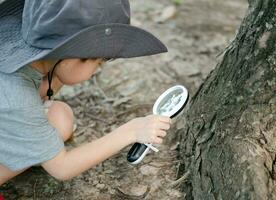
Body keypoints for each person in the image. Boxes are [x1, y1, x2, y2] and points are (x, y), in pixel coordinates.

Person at [0, 0, 171, 192]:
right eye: (98, 63)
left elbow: (59, 79)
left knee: (60, 117)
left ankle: (33, 151)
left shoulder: (35, 66)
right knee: (55, 124)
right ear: (71, 56)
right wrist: (131, 131)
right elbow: (62, 168)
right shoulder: (16, 96)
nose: (98, 69)